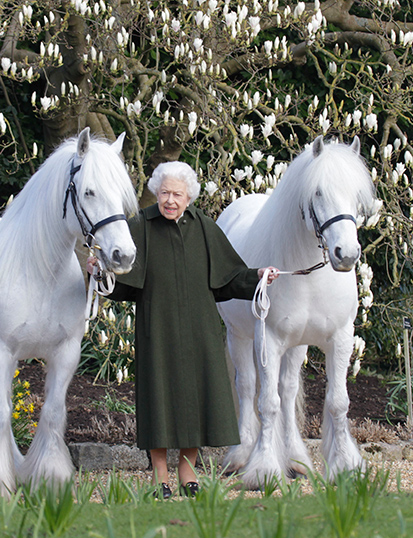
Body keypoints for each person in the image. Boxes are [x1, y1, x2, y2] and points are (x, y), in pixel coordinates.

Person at [88, 161, 278, 499]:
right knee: (159, 398)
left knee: (197, 399)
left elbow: (230, 277)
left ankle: (187, 467)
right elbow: (121, 282)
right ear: (155, 194)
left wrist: (260, 275)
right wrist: (98, 272)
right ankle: (160, 472)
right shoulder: (141, 227)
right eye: (164, 193)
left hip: (199, 329)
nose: (170, 200)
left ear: (189, 196)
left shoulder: (204, 228)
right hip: (155, 327)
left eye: (176, 194)